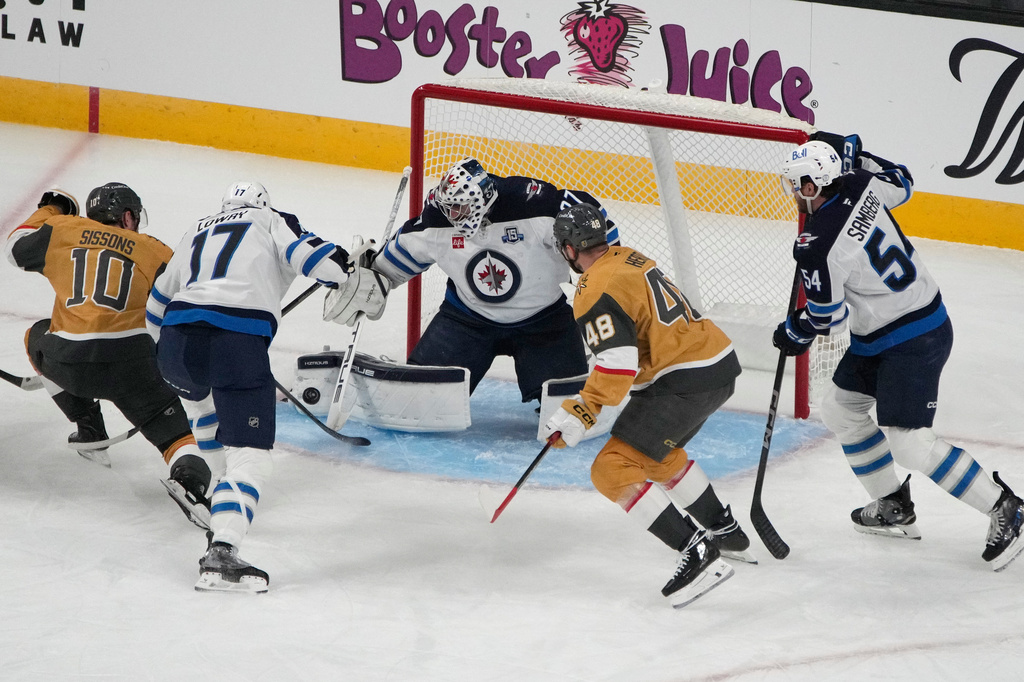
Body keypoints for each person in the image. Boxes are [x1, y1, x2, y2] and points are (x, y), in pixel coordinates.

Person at [773, 134, 1024, 571]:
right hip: (892, 328)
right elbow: (904, 181)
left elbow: (827, 320)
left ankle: (1005, 508)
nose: (795, 193)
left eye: (799, 184)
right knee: (839, 407)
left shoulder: (817, 245)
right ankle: (893, 505)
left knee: (908, 441)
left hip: (913, 339)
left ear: (813, 185)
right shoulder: (860, 182)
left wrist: (795, 329)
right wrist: (859, 157)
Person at [146, 181, 355, 593]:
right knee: (252, 458)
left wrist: (174, 350)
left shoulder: (195, 229)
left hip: (174, 344)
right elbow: (321, 263)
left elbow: (154, 309)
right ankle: (222, 551)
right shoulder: (270, 219)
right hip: (234, 343)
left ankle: (222, 504)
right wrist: (348, 268)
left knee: (204, 411)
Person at [541, 203, 751, 609]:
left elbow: (618, 365)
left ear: (569, 248)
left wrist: (582, 411)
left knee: (611, 469)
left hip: (684, 378)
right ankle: (725, 530)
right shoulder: (628, 256)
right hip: (718, 363)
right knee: (655, 455)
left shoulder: (591, 289)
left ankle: (698, 551)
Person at [4, 184, 213, 526]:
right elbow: (190, 303)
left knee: (36, 335)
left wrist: (54, 207)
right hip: (130, 365)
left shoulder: (63, 230)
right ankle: (191, 484)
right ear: (128, 216)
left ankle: (90, 430)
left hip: (66, 360)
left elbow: (15, 248)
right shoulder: (153, 249)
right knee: (178, 438)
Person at [369, 158, 620, 403]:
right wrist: (369, 279)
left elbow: (594, 224)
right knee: (423, 397)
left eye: (461, 207)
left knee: (565, 402)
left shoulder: (535, 205)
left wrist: (609, 273)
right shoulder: (437, 219)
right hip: (466, 320)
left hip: (546, 321)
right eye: (450, 207)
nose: (453, 214)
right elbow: (388, 267)